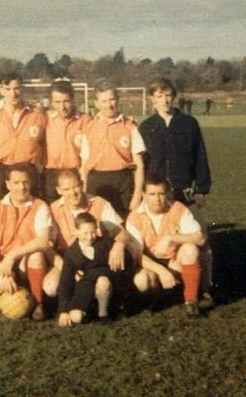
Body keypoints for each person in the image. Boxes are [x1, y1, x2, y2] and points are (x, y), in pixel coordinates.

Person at [138, 78, 213, 297]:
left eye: (168, 95)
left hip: (184, 192)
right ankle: (164, 285)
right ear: (152, 99)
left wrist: (201, 189)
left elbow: (200, 156)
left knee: (201, 241)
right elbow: (142, 163)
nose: (164, 100)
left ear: (174, 96)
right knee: (159, 241)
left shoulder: (188, 123)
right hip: (157, 196)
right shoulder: (146, 126)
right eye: (159, 96)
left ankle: (206, 286)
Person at [44, 168, 133, 300]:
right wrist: (67, 269)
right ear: (58, 190)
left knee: (103, 284)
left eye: (75, 187)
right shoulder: (53, 209)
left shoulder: (99, 203)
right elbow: (48, 247)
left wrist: (119, 245)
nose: (72, 193)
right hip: (69, 258)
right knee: (51, 287)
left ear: (82, 184)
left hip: (96, 258)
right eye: (66, 189)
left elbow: (121, 233)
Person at [0, 164, 52, 320]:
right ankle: (5, 297)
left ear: (31, 183)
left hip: (27, 258)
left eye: (25, 182)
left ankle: (39, 303)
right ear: (7, 184)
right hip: (5, 261)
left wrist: (13, 254)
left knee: (36, 256)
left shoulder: (40, 206)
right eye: (16, 183)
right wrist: (3, 272)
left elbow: (43, 241)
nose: (22, 187)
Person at [127, 179, 204, 317]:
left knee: (190, 249)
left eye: (161, 194)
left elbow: (200, 237)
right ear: (143, 194)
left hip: (174, 260)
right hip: (150, 264)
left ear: (167, 194)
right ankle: (158, 299)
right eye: (152, 194)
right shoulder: (135, 216)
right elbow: (137, 254)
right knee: (142, 281)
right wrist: (162, 271)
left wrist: (170, 238)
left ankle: (191, 301)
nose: (157, 199)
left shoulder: (177, 208)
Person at [80, 79, 145, 217]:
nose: (108, 105)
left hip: (123, 180)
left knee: (123, 223)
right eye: (103, 101)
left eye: (112, 100)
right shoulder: (89, 128)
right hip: (96, 182)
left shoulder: (130, 127)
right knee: (98, 225)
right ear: (96, 103)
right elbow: (84, 166)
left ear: (117, 100)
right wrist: (83, 192)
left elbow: (139, 163)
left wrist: (137, 194)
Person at [57, 213, 131, 326]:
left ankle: (103, 314)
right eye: (85, 233)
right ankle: (91, 310)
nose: (90, 237)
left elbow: (123, 266)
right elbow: (65, 282)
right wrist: (63, 310)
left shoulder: (106, 244)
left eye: (93, 232)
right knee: (76, 318)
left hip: (107, 287)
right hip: (84, 289)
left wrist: (88, 274)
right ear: (76, 231)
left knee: (103, 280)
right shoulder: (71, 253)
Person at [0, 72, 46, 201]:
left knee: (30, 208)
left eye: (16, 88)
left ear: (22, 89)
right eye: (8, 89)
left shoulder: (36, 114)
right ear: (1, 90)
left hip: (27, 170)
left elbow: (43, 142)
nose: (13, 94)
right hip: (0, 170)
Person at [42, 80, 91, 203]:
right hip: (51, 174)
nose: (62, 107)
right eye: (57, 102)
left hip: (75, 173)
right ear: (51, 102)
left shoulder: (85, 120)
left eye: (66, 101)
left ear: (73, 99)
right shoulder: (45, 118)